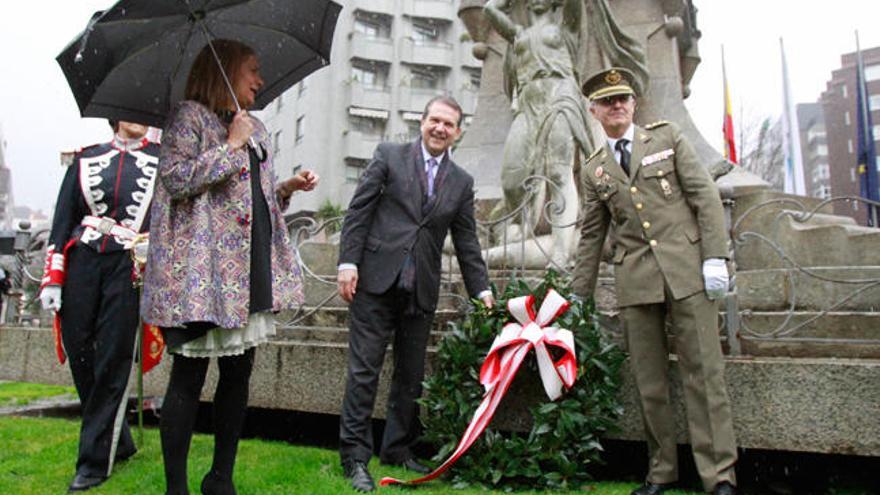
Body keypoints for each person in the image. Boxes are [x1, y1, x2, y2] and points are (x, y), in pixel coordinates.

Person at [140, 39, 318, 495]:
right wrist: (230, 147)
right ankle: (176, 488)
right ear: (226, 72)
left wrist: (283, 189)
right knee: (189, 376)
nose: (260, 80)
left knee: (239, 374)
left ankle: (221, 478)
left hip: (247, 270)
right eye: (253, 70)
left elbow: (245, 198)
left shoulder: (256, 127)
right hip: (204, 275)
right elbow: (175, 181)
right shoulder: (188, 117)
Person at [571, 68, 738, 495]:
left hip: (688, 274)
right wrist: (577, 298)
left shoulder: (666, 138)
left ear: (634, 103)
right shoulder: (595, 170)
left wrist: (716, 257)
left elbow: (704, 197)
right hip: (636, 282)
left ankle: (719, 476)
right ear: (594, 111)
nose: (618, 106)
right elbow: (592, 236)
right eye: (608, 101)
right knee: (651, 384)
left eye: (624, 98)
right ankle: (661, 472)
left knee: (705, 376)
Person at [336, 96, 495, 492]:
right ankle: (355, 457)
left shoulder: (461, 182)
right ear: (422, 122)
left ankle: (396, 449)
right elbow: (359, 213)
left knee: (410, 377)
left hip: (420, 288)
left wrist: (483, 290)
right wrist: (347, 263)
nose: (441, 129)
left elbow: (467, 241)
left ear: (458, 131)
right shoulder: (389, 155)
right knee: (364, 372)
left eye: (449, 124)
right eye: (435, 121)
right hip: (374, 281)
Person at [39, 120, 160, 492]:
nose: (135, 118)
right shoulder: (86, 158)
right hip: (83, 261)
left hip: (129, 266)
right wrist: (53, 277)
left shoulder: (162, 161)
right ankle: (117, 438)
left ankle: (92, 463)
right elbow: (63, 221)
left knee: (113, 355)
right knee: (80, 351)